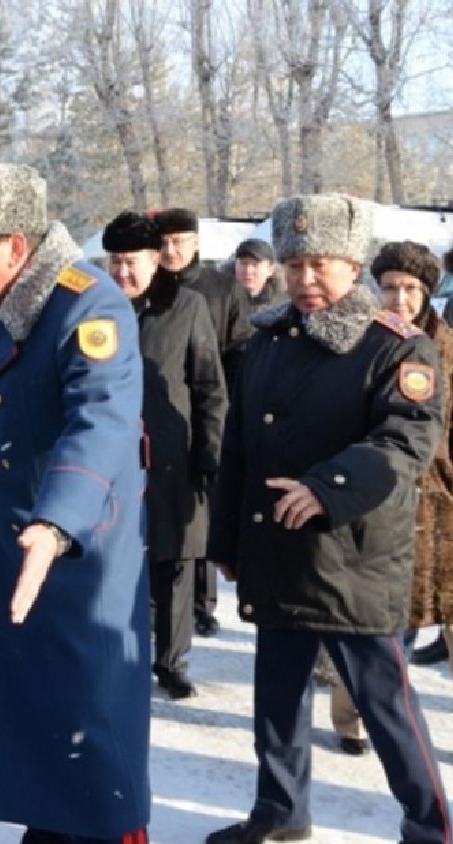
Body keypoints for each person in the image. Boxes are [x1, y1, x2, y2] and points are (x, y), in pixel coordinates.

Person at [206, 194, 453, 844]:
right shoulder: (269, 338)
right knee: (277, 697)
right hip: (277, 552)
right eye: (295, 263)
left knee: (390, 713)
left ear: (354, 265)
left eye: (321, 262)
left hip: (354, 560)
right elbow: (241, 446)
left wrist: (327, 489)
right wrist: (227, 538)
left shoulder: (398, 347)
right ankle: (280, 805)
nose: (305, 277)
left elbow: (403, 442)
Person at [0, 163, 153, 844]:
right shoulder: (4, 307)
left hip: (81, 566)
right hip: (18, 554)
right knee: (41, 735)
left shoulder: (89, 305)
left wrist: (54, 524)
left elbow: (102, 423)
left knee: (94, 747)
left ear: (16, 242)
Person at [329, 241, 453, 757]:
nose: (400, 299)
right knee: (370, 618)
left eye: (411, 289)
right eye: (390, 288)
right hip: (376, 495)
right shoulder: (361, 342)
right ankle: (351, 719)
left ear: (428, 293)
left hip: (444, 503)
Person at [103, 210, 226, 700]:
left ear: (156, 261)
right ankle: (125, 653)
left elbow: (209, 387)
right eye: (114, 262)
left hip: (174, 456)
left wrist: (209, 456)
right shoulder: (97, 307)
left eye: (131, 262)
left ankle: (172, 661)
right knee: (122, 563)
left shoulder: (187, 307)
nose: (122, 273)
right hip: (112, 460)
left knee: (175, 565)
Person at [155, 207, 252, 639]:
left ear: (195, 243)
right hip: (163, 416)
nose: (171, 250)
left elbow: (239, 351)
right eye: (164, 242)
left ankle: (201, 601)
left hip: (211, 409)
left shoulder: (221, 287)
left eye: (180, 241)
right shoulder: (146, 289)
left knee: (200, 515)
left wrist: (227, 410)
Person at [233, 238, 286, 308]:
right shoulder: (221, 302)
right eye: (243, 263)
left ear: (270, 269)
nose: (248, 270)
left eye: (255, 264)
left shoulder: (284, 305)